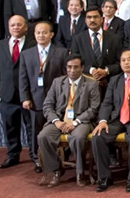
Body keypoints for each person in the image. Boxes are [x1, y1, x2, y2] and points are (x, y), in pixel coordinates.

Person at [91, 50, 130, 192]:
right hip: (117, 119)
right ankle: (104, 177)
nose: (126, 62)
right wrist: (102, 121)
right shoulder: (115, 80)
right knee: (98, 136)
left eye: (129, 59)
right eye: (123, 60)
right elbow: (107, 103)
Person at [37, 54, 101, 187]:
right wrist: (57, 122)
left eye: (76, 67)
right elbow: (47, 105)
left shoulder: (92, 84)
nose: (72, 70)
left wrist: (75, 123)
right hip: (60, 120)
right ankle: (56, 169)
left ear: (82, 68)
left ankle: (80, 172)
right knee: (43, 136)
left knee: (78, 137)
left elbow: (93, 109)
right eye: (69, 67)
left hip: (82, 121)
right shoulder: (57, 82)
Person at [18, 21, 68, 173]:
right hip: (35, 99)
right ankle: (37, 160)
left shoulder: (61, 52)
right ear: (34, 35)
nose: (41, 35)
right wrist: (25, 98)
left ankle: (59, 159)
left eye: (44, 32)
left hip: (57, 100)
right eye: (38, 32)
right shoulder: (26, 54)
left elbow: (66, 77)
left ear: (51, 34)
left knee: (56, 130)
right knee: (36, 131)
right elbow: (23, 78)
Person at [0, 15, 36, 169]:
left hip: (28, 94)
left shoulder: (33, 44)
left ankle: (35, 155)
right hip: (7, 93)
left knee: (31, 127)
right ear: (8, 27)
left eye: (19, 25)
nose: (16, 27)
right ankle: (12, 155)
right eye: (13, 25)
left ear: (25, 27)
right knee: (10, 126)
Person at [71, 9, 122, 88]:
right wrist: (91, 70)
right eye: (89, 17)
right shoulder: (78, 39)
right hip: (86, 85)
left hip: (110, 84)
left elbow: (120, 62)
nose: (92, 20)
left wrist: (106, 71)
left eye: (95, 17)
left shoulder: (114, 38)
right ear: (85, 20)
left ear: (102, 19)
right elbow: (74, 62)